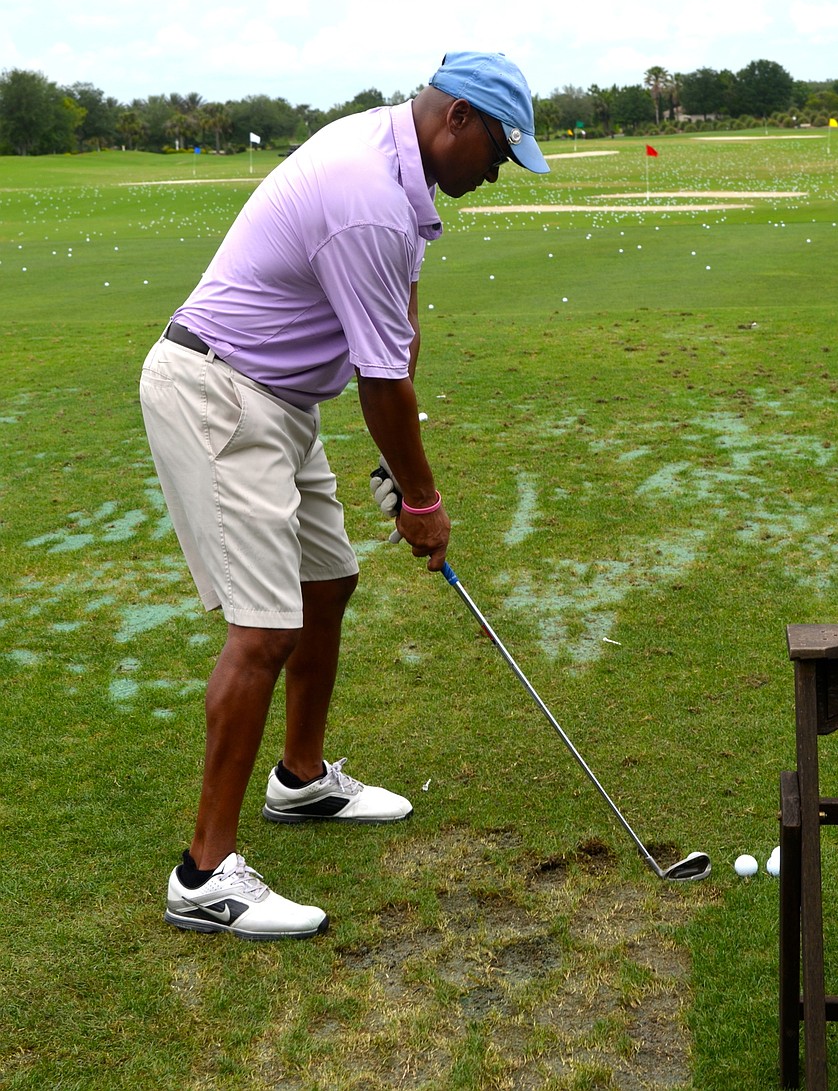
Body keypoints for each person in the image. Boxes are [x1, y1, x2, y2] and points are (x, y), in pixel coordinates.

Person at [139, 51, 550, 941]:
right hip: (218, 389)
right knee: (265, 627)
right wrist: (423, 498)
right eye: (498, 154)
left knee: (328, 582)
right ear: (459, 122)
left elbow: (396, 345)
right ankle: (204, 873)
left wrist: (401, 475)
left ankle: (301, 777)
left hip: (280, 399)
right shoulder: (368, 193)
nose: (496, 173)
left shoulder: (404, 180)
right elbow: (379, 385)